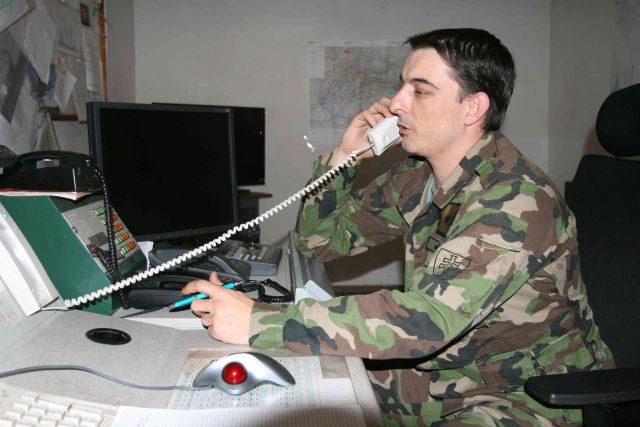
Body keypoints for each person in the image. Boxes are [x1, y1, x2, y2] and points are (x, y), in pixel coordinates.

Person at [182, 28, 613, 426]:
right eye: (402, 85)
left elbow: (426, 322)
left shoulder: (516, 200)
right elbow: (321, 245)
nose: (396, 103)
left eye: (420, 90)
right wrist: (344, 160)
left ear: (473, 107)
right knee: (298, 388)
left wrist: (261, 321)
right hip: (446, 370)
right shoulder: (417, 177)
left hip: (525, 392)